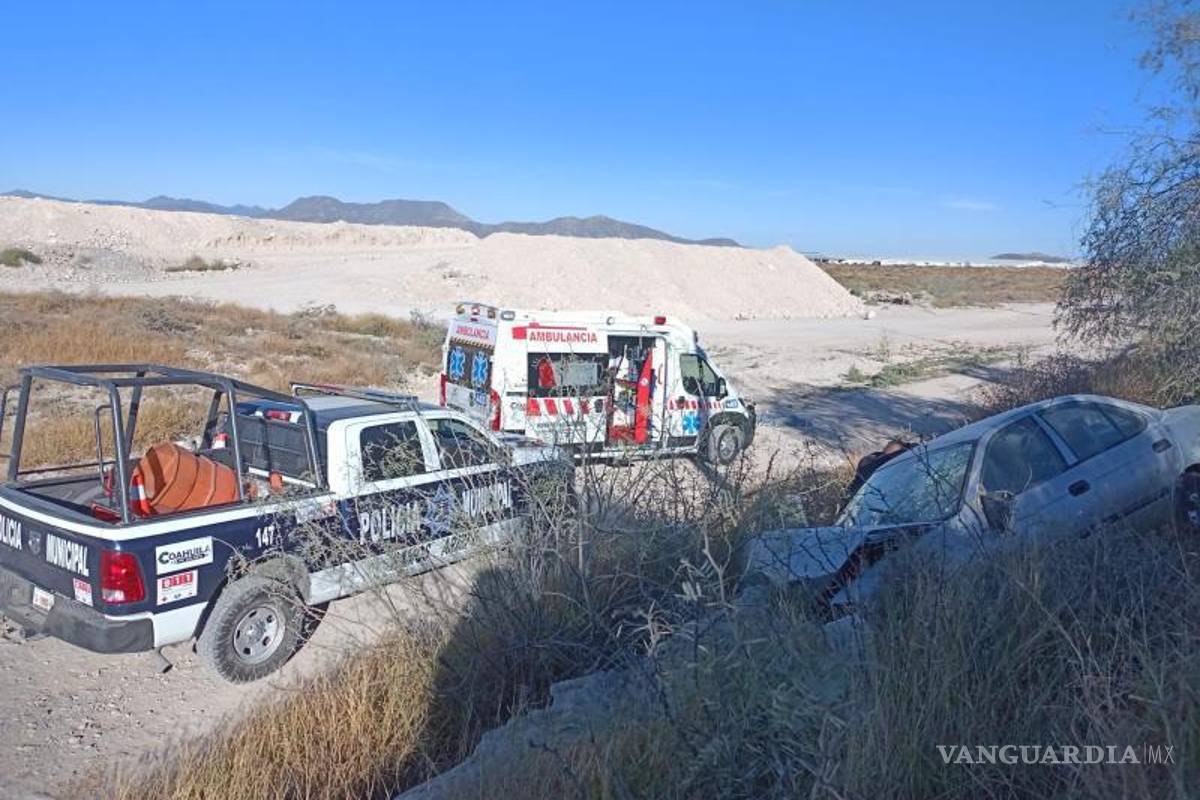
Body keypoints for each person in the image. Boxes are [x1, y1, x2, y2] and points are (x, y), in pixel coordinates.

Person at [844, 438, 914, 504]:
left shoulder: (876, 460)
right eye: (888, 445)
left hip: (864, 496)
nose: (887, 445)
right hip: (863, 495)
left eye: (889, 445)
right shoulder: (875, 459)